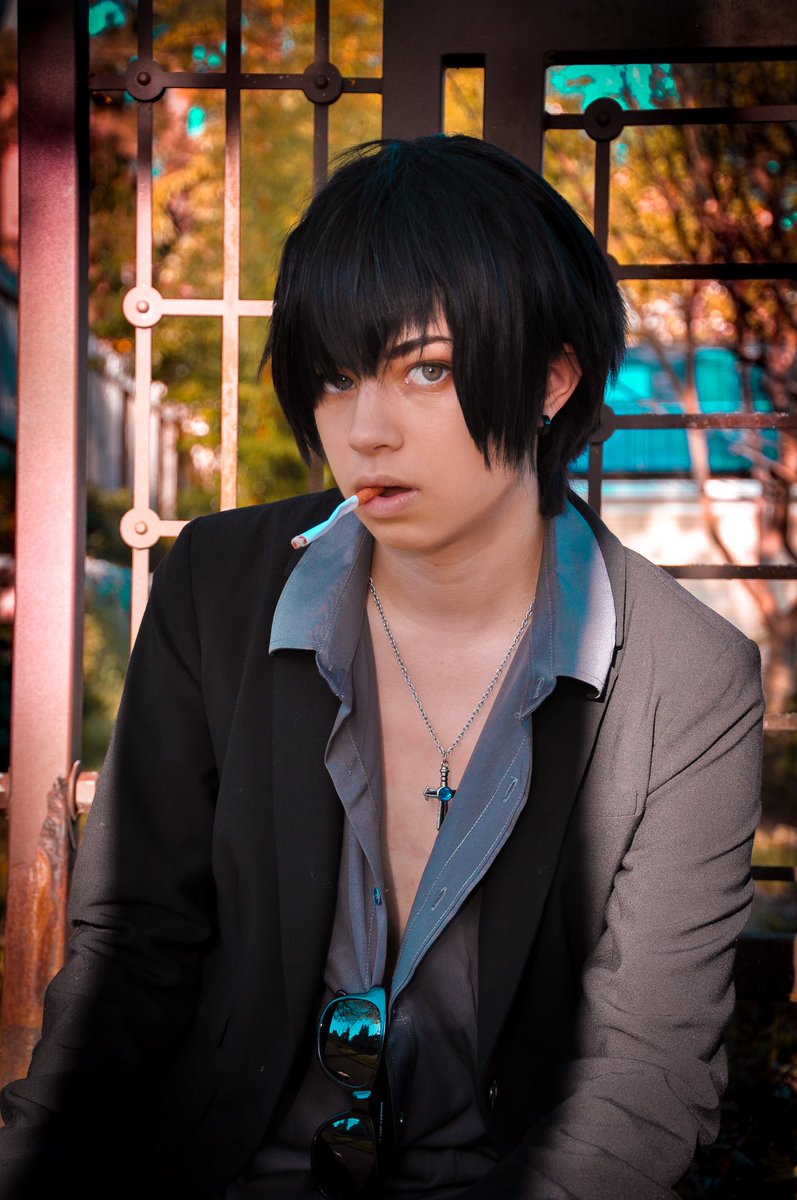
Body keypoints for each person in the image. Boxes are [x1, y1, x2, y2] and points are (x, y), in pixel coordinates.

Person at [0, 135, 763, 1200]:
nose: (365, 431)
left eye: (427, 369)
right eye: (334, 375)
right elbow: (133, 950)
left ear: (551, 378)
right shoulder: (217, 588)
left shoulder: (687, 680)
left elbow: (644, 1083)